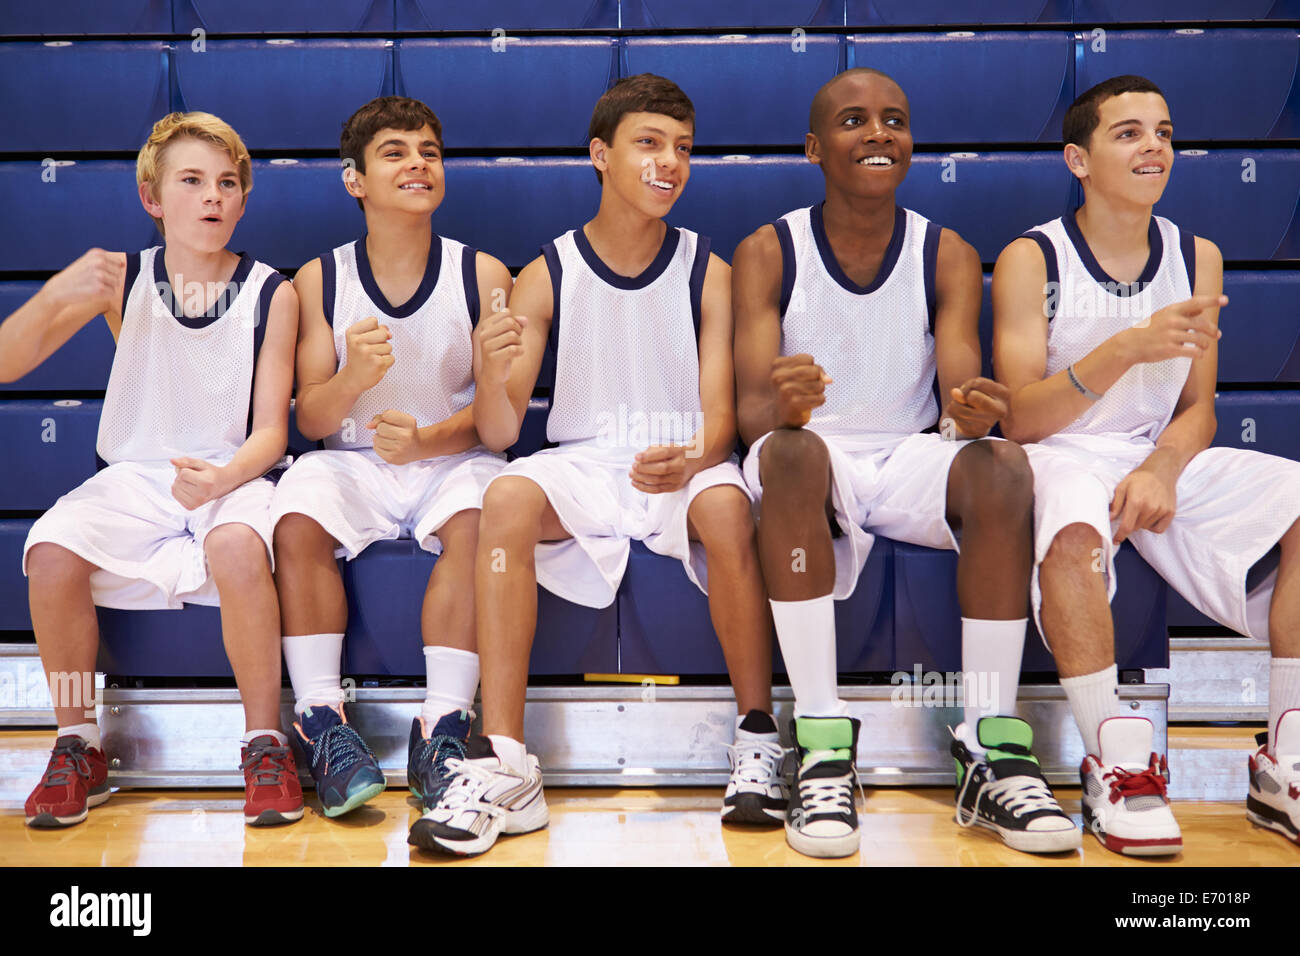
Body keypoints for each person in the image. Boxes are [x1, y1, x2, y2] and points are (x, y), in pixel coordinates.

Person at [409, 74, 781, 857]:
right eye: (649, 144)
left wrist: (693, 457)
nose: (669, 163)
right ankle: (506, 759)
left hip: (685, 457)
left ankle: (757, 737)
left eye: (683, 149)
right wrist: (487, 369)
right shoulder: (544, 274)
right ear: (599, 155)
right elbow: (503, 429)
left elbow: (721, 416)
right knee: (505, 495)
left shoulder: (709, 272)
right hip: (584, 462)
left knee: (725, 508)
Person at [732, 68, 1078, 858]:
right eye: (854, 121)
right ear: (815, 149)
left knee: (1000, 467)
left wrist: (972, 412)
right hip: (813, 459)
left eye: (895, 120)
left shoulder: (947, 251)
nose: (879, 133)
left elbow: (960, 390)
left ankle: (991, 743)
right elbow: (751, 418)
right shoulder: (768, 249)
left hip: (909, 454)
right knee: (786, 454)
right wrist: (783, 407)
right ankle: (822, 745)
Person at [994, 74, 1300, 853]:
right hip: (1060, 454)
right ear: (1078, 159)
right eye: (1128, 132)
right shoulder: (1033, 257)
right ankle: (1116, 763)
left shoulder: (1198, 256)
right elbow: (1021, 417)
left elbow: (1200, 407)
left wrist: (1164, 466)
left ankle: (1283, 763)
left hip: (1156, 456)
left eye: (1162, 131)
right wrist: (1127, 347)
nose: (1153, 145)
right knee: (1069, 538)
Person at [3, 112, 302, 828]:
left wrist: (224, 481)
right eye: (193, 181)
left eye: (228, 184)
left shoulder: (272, 291)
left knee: (234, 545)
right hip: (137, 477)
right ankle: (78, 742)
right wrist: (55, 294)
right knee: (48, 552)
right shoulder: (121, 277)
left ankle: (265, 742)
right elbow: (8, 362)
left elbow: (270, 432)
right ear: (152, 197)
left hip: (235, 476)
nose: (213, 197)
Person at [270, 97, 512, 820]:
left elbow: (497, 428)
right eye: (397, 152)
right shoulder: (319, 279)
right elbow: (310, 419)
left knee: (484, 519)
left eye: (430, 151)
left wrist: (429, 440)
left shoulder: (483, 273)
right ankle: (322, 720)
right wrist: (351, 380)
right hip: (351, 460)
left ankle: (442, 726)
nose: (418, 163)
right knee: (297, 513)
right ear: (356, 181)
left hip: (450, 457)